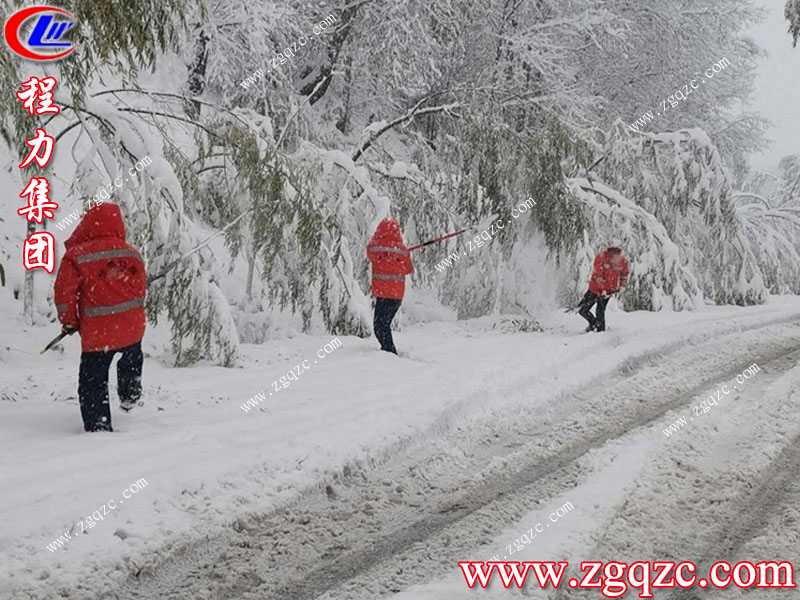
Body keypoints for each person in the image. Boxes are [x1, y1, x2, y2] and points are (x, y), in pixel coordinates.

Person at [54, 202, 147, 432]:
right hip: (132, 328)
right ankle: (129, 393)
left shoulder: (76, 257)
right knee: (131, 357)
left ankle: (98, 424)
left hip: (99, 334)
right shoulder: (131, 253)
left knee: (93, 379)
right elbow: (139, 287)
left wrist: (69, 321)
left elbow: (64, 293)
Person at [366, 217, 413, 354]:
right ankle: (388, 351)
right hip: (396, 296)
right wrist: (399, 254)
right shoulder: (402, 251)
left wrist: (388, 253)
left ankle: (389, 353)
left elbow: (369, 252)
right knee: (382, 326)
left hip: (383, 294)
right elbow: (408, 269)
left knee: (380, 326)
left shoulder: (376, 249)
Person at [578, 242, 629, 332]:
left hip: (608, 291)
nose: (614, 253)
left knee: (600, 311)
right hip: (594, 289)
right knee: (582, 309)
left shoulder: (622, 261)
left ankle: (600, 331)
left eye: (617, 251)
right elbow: (598, 276)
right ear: (609, 250)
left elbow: (624, 275)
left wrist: (622, 285)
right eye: (612, 250)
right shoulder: (601, 258)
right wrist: (602, 289)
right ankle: (594, 324)